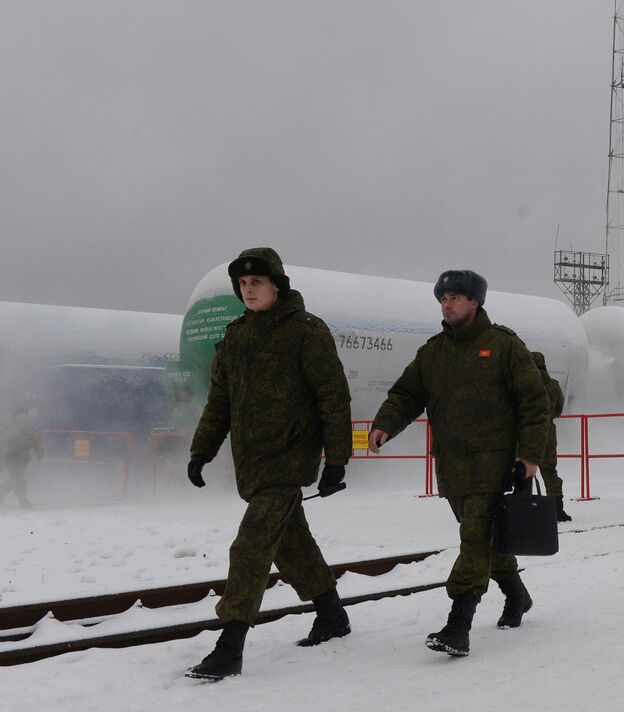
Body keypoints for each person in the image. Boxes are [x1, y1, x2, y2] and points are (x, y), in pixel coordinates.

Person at [184, 248, 353, 682]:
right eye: (242, 284)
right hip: (252, 463)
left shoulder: (307, 332)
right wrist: (201, 450)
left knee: (251, 547)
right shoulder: (236, 336)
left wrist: (336, 459)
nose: (248, 290)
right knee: (291, 545)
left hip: (288, 458)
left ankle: (230, 645)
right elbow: (220, 400)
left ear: (277, 284)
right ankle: (332, 615)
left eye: (256, 282)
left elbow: (333, 397)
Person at [368, 270, 549, 657]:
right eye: (443, 298)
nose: (447, 304)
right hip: (452, 469)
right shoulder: (433, 352)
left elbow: (534, 404)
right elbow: (406, 394)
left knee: (473, 541)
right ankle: (517, 595)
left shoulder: (504, 346)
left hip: (495, 466)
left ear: (475, 302)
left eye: (455, 297)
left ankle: (458, 623)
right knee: (485, 541)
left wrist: (529, 456)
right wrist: (384, 424)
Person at [531, 351, 572, 523]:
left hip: (528, 434)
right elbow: (558, 410)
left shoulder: (526, 384)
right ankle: (557, 509)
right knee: (549, 471)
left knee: (524, 472)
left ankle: (525, 508)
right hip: (548, 432)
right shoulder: (553, 385)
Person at [0, 406, 43, 508]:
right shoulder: (9, 427)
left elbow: (36, 440)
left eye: (24, 414)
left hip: (23, 458)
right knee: (19, 478)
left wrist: (39, 451)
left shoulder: (29, 427)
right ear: (16, 415)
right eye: (20, 414)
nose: (22, 416)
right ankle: (23, 501)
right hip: (11, 457)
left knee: (16, 478)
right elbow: (2, 442)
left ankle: (2, 492)